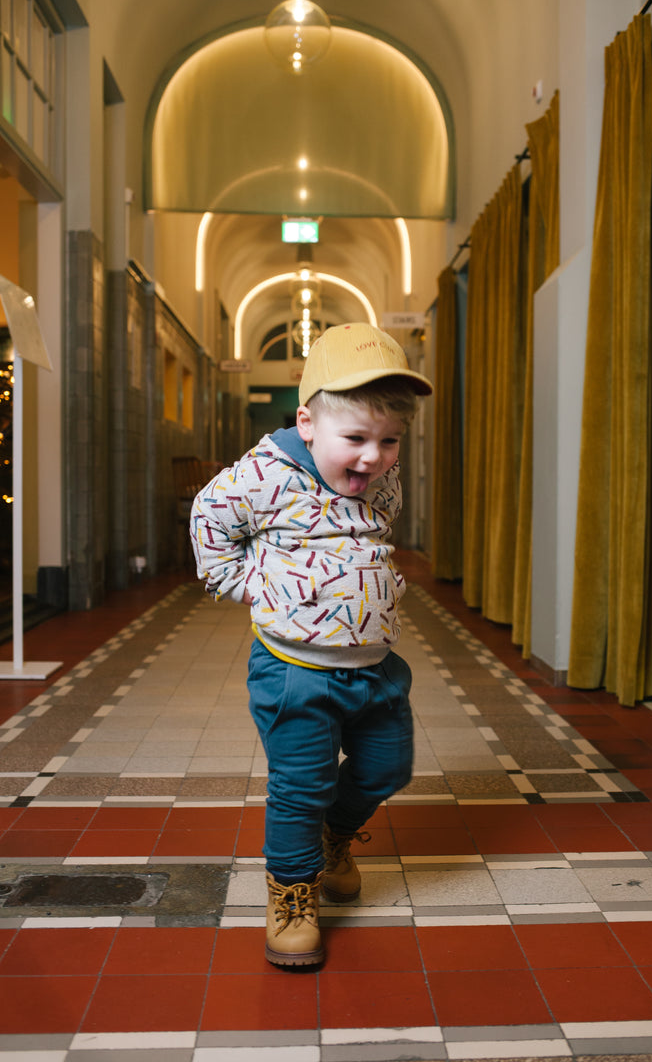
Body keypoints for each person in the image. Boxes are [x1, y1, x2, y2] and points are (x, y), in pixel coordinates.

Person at [190, 322, 433, 967]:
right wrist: (246, 585)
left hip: (376, 665)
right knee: (302, 784)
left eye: (389, 441)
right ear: (307, 422)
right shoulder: (264, 475)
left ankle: (335, 835)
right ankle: (292, 893)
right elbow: (209, 518)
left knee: (388, 766)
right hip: (295, 669)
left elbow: (367, 535)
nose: (373, 457)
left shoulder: (380, 471)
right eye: (354, 439)